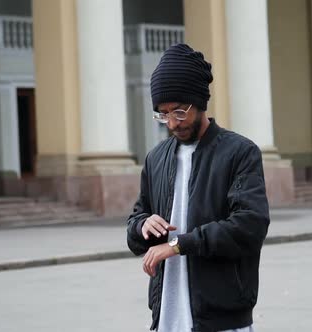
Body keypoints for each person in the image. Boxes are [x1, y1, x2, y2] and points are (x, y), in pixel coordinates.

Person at [126, 43, 270, 332]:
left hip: (222, 319)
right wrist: (143, 225)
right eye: (162, 114)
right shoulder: (156, 158)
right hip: (166, 319)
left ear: (199, 103)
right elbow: (135, 224)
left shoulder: (239, 152)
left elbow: (249, 226)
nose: (171, 123)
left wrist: (179, 245)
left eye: (179, 112)